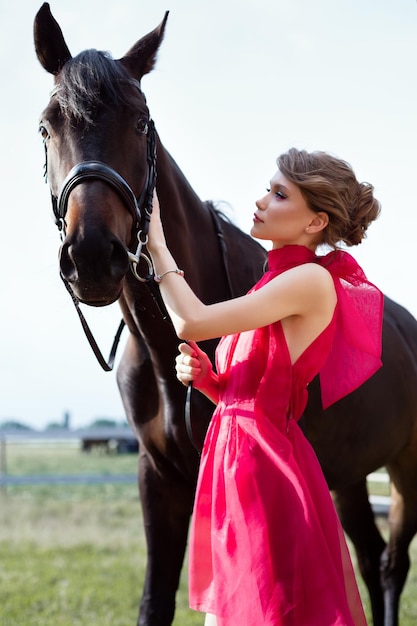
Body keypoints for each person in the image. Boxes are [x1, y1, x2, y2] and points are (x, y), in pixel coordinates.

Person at [147, 147, 383, 626]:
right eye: (267, 188)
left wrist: (157, 244)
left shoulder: (310, 280)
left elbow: (193, 322)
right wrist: (212, 383)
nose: (260, 200)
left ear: (315, 222)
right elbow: (249, 396)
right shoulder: (268, 284)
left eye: (279, 194)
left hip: (263, 469)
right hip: (235, 460)